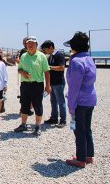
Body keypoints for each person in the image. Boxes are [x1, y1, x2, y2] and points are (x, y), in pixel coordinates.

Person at [64, 32, 97, 168]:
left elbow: (74, 87)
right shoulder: (89, 59)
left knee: (78, 130)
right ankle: (88, 155)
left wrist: (71, 106)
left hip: (80, 101)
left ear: (73, 47)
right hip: (90, 98)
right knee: (86, 128)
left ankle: (81, 159)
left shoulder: (77, 62)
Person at [14, 36, 51, 136]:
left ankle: (38, 126)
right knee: (24, 105)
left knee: (38, 106)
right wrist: (23, 72)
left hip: (37, 85)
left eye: (32, 43)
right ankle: (23, 124)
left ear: (36, 45)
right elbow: (19, 69)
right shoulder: (23, 56)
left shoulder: (41, 56)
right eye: (28, 43)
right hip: (25, 85)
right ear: (26, 45)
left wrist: (48, 86)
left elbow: (47, 72)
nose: (30, 45)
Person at [41, 40, 67, 127]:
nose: (45, 51)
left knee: (61, 101)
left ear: (51, 47)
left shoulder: (59, 55)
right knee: (53, 101)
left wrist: (49, 67)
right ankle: (54, 118)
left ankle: (63, 120)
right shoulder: (51, 55)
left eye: (46, 49)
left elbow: (61, 68)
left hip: (59, 82)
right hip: (52, 82)